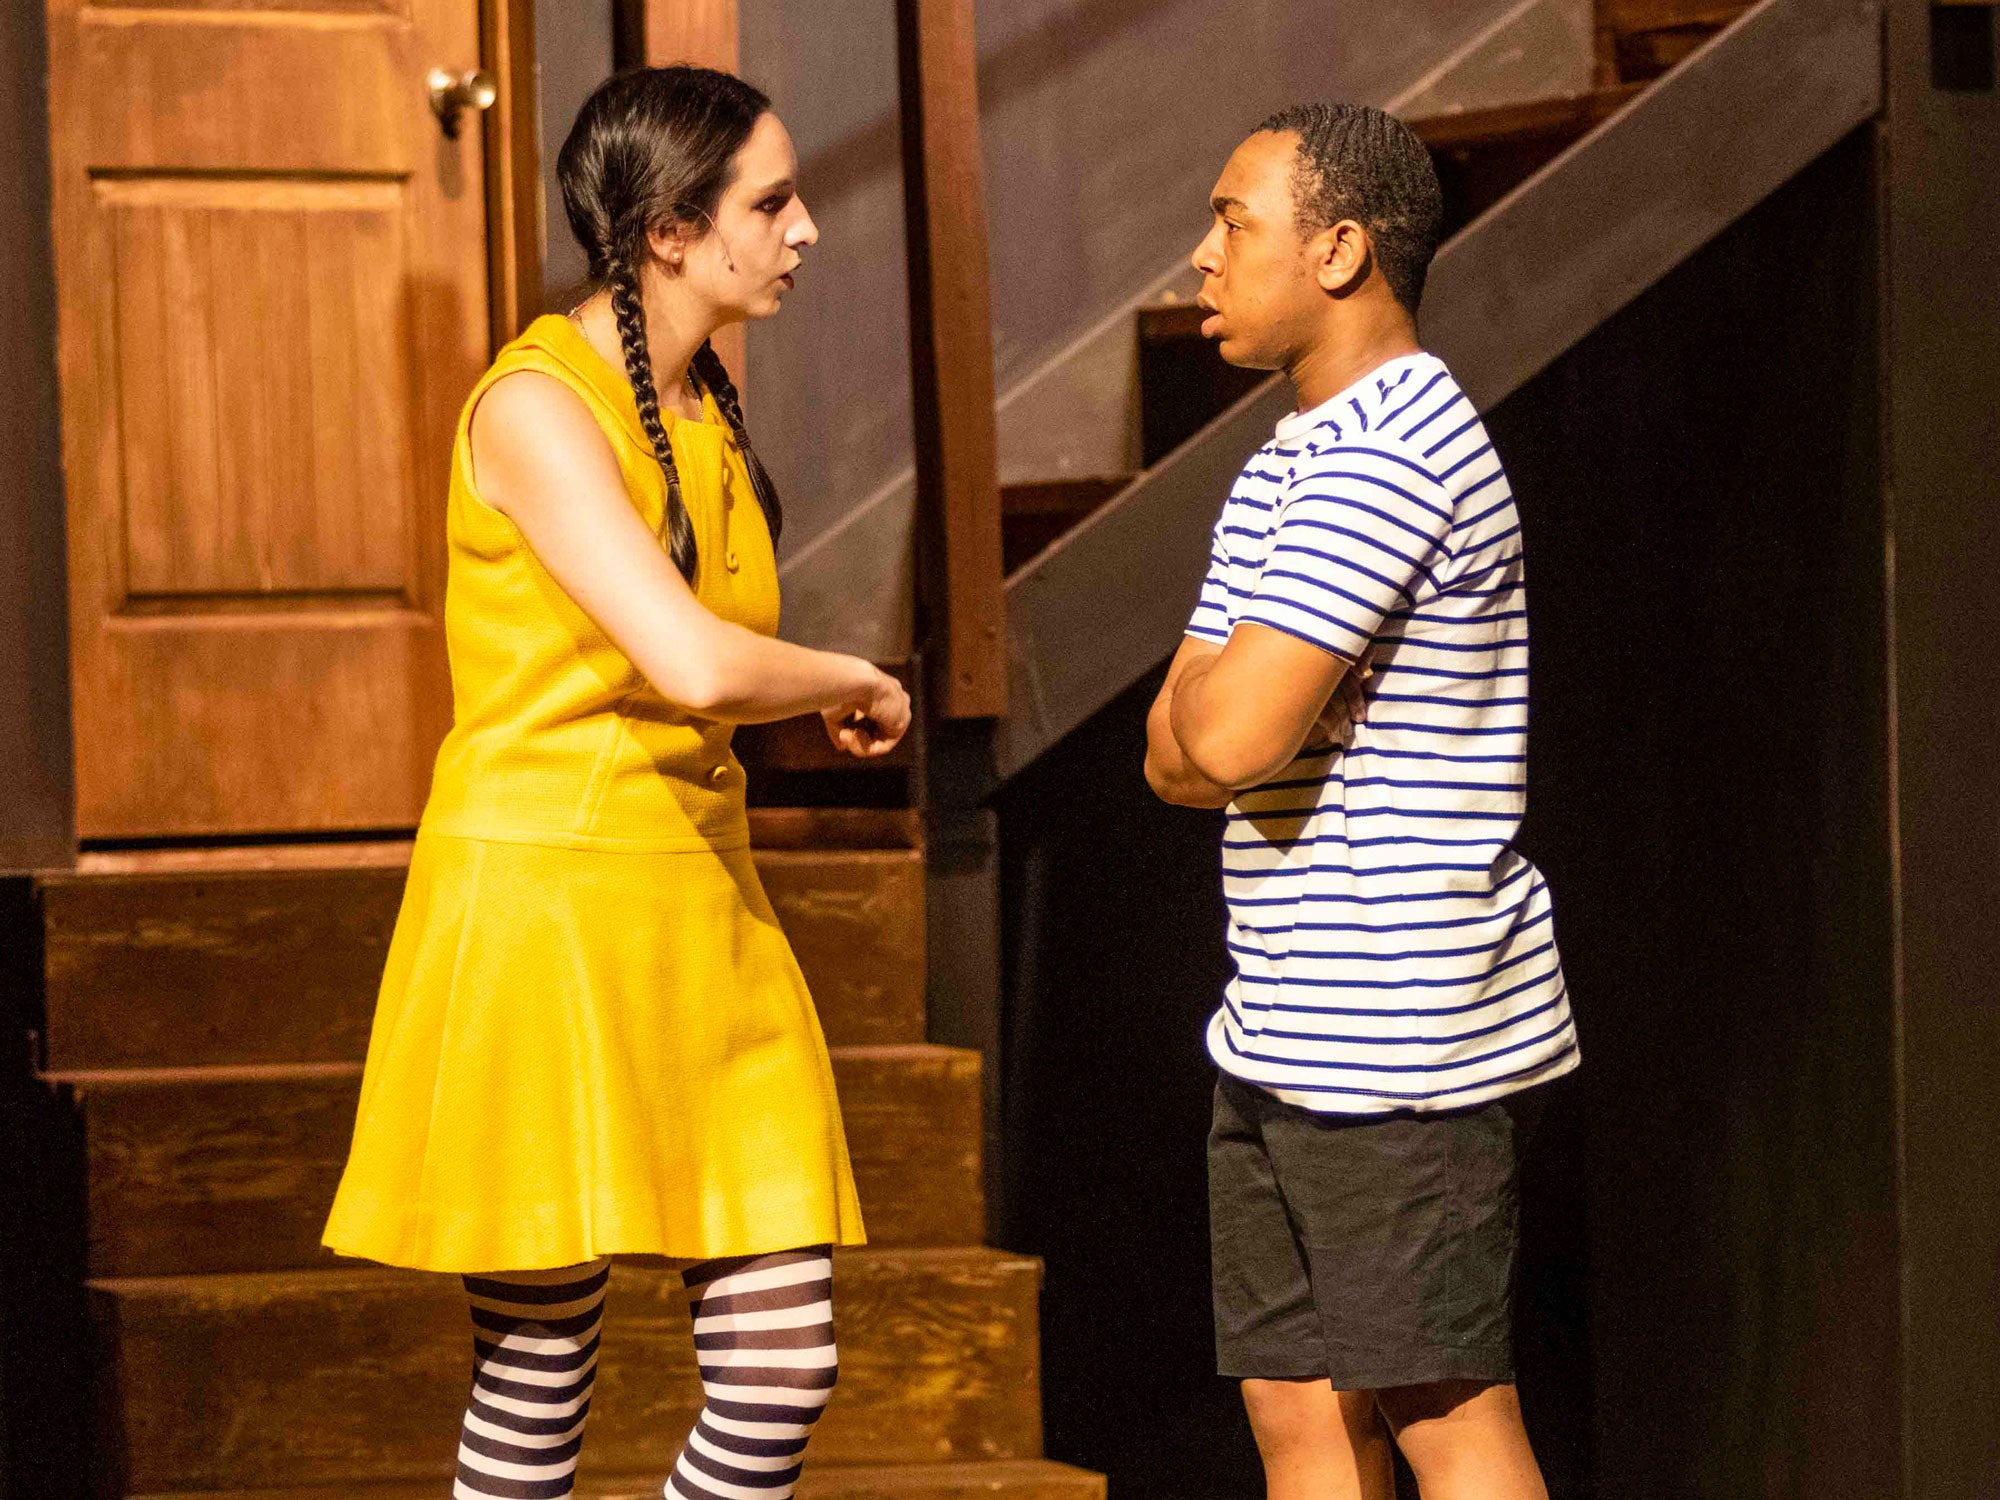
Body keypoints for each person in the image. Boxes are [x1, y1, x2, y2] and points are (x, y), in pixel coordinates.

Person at [322, 65, 911, 1500]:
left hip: (700, 895)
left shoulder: (701, 402)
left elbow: (689, 677)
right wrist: (849, 675)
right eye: (770, 202)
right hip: (547, 909)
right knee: (539, 1370)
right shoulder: (536, 404)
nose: (806, 229)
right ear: (665, 229)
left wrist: (795, 702)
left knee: (782, 1362)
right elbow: (693, 663)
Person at [1143, 103, 1578, 1500]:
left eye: (1234, 223)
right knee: (1299, 1411)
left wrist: (1233, 717)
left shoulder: (1393, 451)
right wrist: (1230, 719)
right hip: (1284, 1017)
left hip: (1395, 1030)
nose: (1205, 259)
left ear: (1336, 250)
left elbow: (1233, 728)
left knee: (1445, 1409)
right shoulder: (1286, 462)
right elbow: (1173, 754)